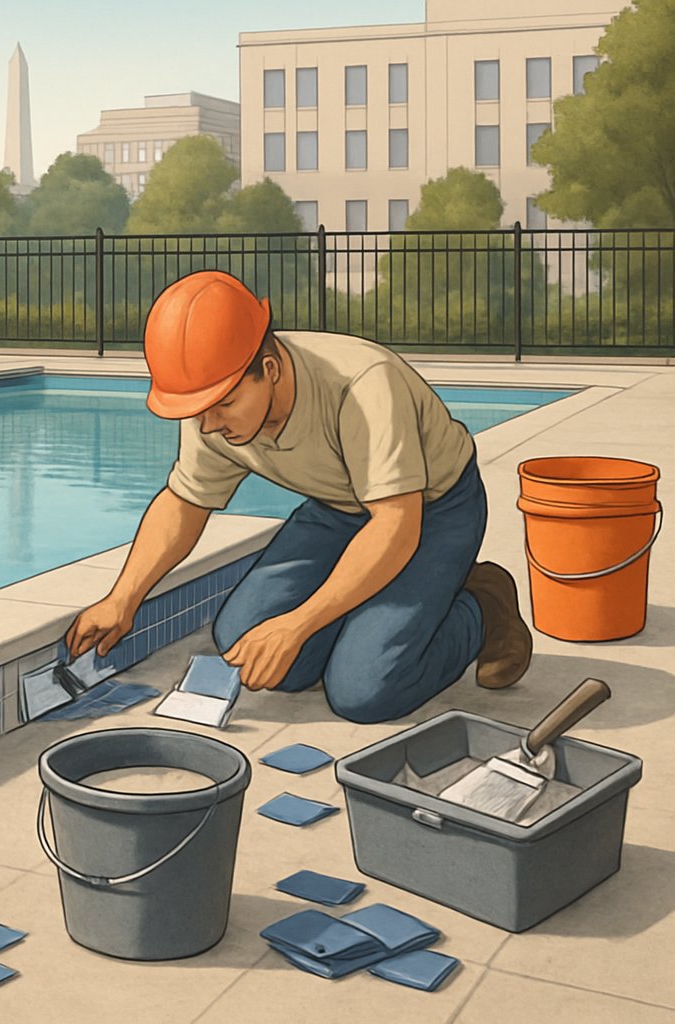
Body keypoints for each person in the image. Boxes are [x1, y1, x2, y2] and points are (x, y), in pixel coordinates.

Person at [65, 270, 532, 724]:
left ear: (268, 370)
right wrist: (123, 599)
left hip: (432, 510)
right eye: (199, 410)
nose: (208, 426)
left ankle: (482, 606)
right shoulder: (212, 403)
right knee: (246, 644)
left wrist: (300, 623)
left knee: (364, 690)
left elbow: (396, 525)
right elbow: (185, 501)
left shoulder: (363, 384)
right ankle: (371, 621)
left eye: (223, 405)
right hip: (338, 508)